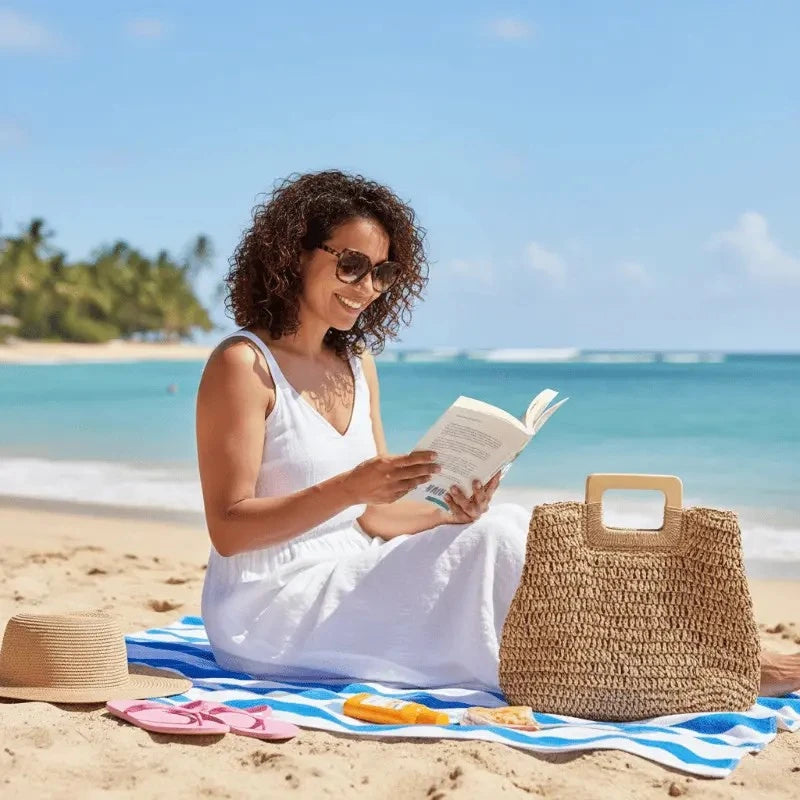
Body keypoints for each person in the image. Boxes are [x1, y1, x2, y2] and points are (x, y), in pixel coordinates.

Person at [197, 169, 800, 696]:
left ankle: (690, 658)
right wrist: (354, 486)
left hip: (350, 568)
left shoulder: (357, 366)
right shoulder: (242, 365)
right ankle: (703, 665)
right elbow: (228, 530)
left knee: (503, 525)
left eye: (381, 273)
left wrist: (445, 513)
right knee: (491, 551)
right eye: (350, 265)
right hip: (270, 606)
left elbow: (375, 519)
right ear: (294, 254)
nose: (367, 288)